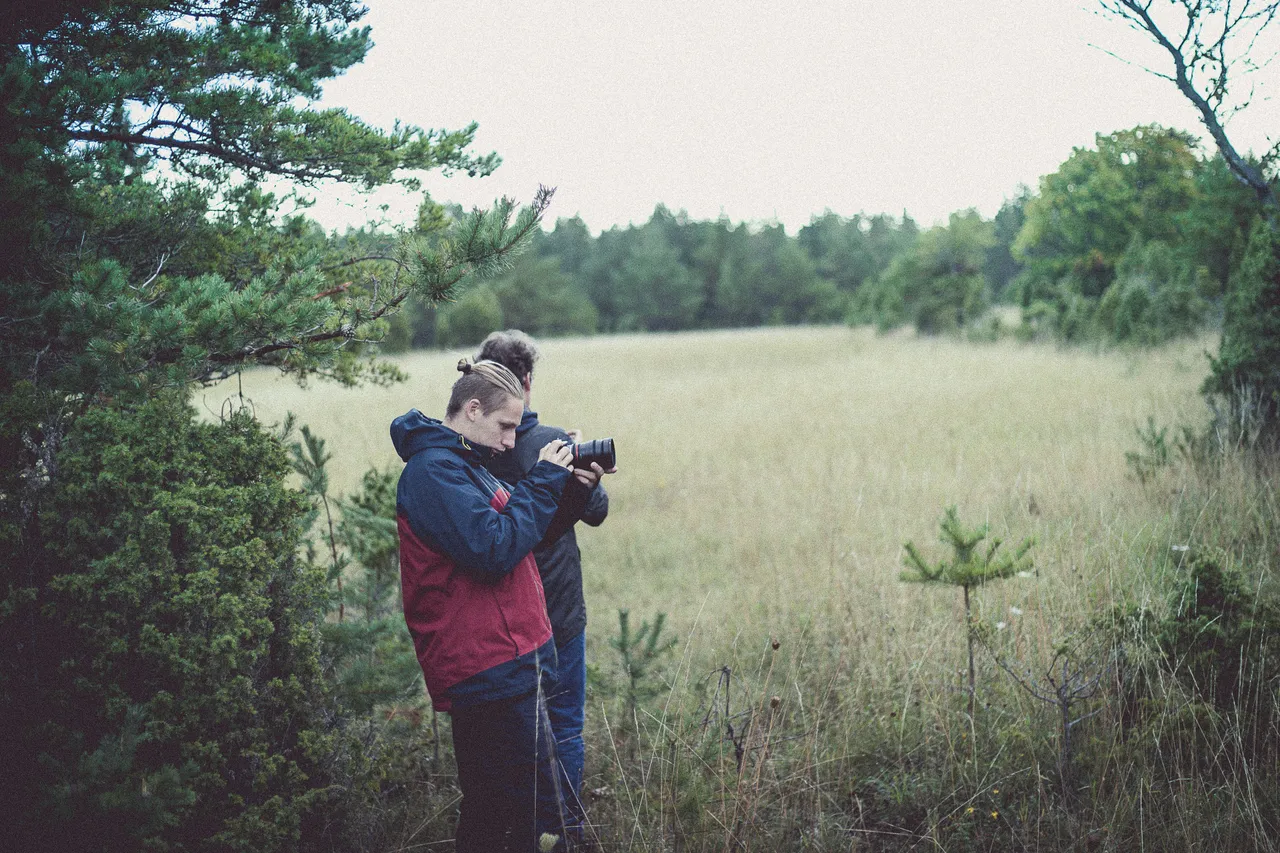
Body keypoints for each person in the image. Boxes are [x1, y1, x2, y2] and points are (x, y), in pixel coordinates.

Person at [391, 359, 607, 853]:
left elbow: (521, 539)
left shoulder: (466, 465)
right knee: (503, 814)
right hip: (483, 667)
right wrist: (542, 479)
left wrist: (571, 493)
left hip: (508, 661)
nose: (512, 441)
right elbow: (491, 551)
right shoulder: (433, 474)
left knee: (516, 809)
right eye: (507, 426)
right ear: (472, 409)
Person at [477, 330, 610, 845]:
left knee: (512, 733)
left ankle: (522, 833)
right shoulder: (549, 441)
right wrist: (578, 465)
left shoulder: (474, 450)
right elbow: (597, 512)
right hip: (559, 608)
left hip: (499, 618)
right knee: (565, 724)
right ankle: (565, 832)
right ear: (528, 381)